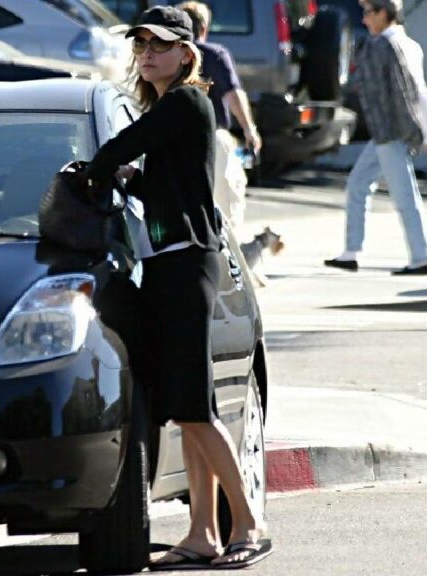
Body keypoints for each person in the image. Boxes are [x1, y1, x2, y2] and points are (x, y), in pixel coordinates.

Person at [86, 6, 272, 571]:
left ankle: (249, 524)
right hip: (167, 263)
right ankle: (202, 533)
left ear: (187, 54)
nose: (147, 54)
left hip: (187, 264)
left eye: (160, 45)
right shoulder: (170, 112)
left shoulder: (187, 101)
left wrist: (96, 169)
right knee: (189, 409)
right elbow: (165, 182)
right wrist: (129, 179)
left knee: (195, 409)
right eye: (140, 44)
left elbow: (119, 147)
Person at [324, 0, 427, 275]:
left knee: (404, 194)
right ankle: (351, 252)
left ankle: (421, 257)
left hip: (389, 132)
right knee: (358, 184)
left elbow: (402, 92)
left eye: (369, 12)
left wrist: (420, 132)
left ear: (385, 13)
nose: (364, 19)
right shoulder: (409, 44)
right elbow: (420, 93)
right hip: (391, 132)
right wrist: (425, 129)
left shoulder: (382, 46)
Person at [177, 1, 262, 232]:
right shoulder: (215, 55)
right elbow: (233, 94)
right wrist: (249, 128)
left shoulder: (168, 57)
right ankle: (228, 263)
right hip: (213, 139)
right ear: (204, 28)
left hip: (174, 141)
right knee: (226, 208)